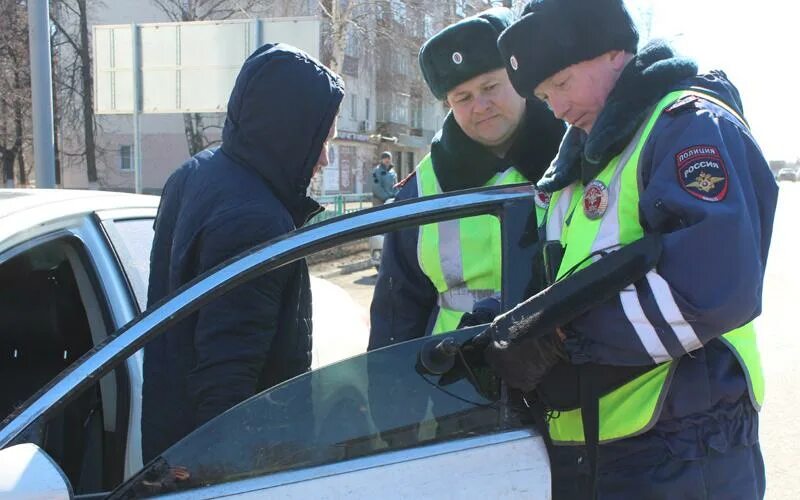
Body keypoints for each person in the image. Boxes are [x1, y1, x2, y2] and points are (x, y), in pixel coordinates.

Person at [487, 0, 778, 497]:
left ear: (613, 52)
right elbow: (567, 283)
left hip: (684, 442)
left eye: (560, 83)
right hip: (604, 443)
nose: (554, 107)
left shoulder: (685, 125)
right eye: (542, 95)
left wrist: (560, 339)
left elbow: (716, 288)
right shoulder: (578, 164)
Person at [141, 43, 343, 462]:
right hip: (230, 464)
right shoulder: (257, 222)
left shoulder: (194, 174)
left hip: (171, 442)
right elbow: (226, 387)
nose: (324, 157)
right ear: (287, 130)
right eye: (320, 140)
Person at [368, 7, 564, 350]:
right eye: (463, 97)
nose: (481, 105)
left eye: (490, 86)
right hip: (460, 384)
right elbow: (397, 313)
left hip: (568, 376)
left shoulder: (575, 156)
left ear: (519, 80)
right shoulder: (422, 188)